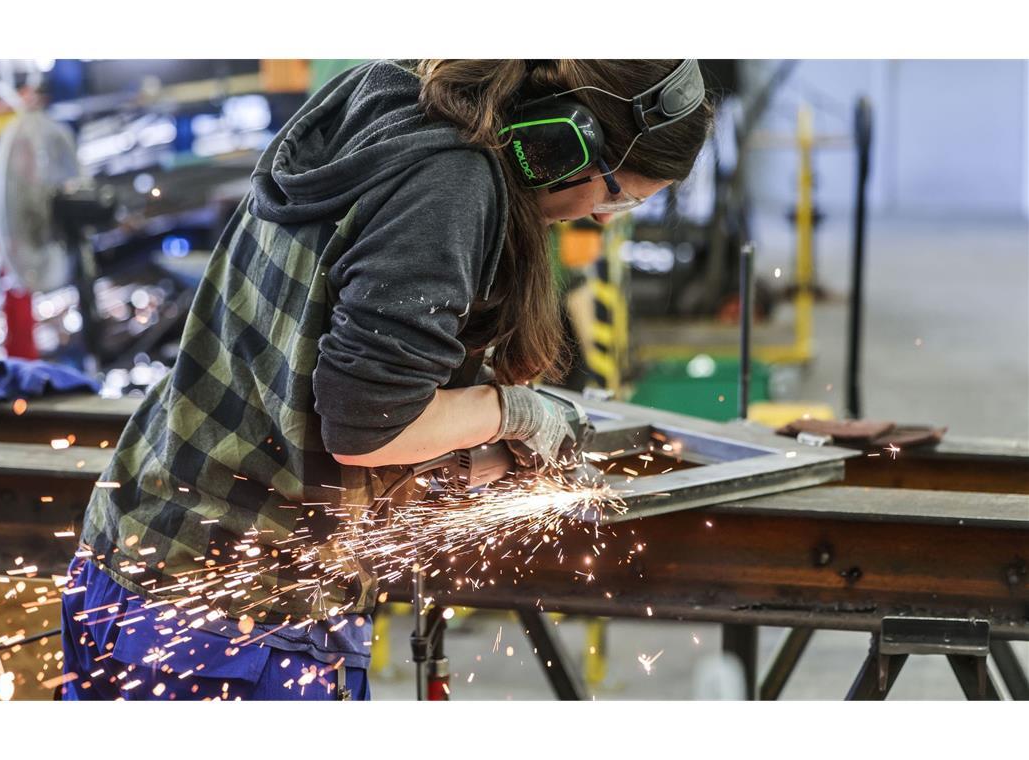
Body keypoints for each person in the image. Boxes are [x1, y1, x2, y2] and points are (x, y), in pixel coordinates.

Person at [61, 59, 712, 700]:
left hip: (130, 543)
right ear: (560, 140)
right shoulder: (451, 184)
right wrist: (514, 412)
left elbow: (332, 336)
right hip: (237, 625)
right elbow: (366, 426)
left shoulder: (391, 93)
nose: (605, 217)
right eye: (617, 193)